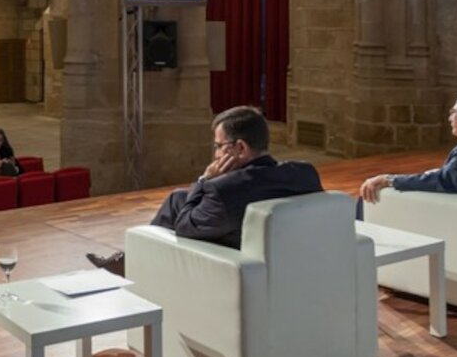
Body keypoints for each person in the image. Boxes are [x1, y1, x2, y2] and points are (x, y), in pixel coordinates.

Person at [88, 106, 322, 276]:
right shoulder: (304, 173)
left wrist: (205, 180)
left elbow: (184, 226)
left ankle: (136, 265)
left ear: (240, 148)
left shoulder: (225, 190)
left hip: (236, 258)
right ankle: (128, 260)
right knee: (178, 198)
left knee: (179, 206)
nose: (215, 154)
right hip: (287, 257)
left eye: (219, 146)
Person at [359, 93, 457, 206]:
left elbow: (445, 182)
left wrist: (390, 180)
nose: (450, 118)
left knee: (370, 191)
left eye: (453, 113)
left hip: (456, 208)